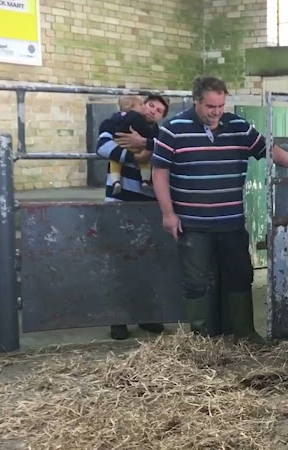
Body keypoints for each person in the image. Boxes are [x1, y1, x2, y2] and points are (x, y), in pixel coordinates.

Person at [151, 75, 288, 343]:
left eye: (221, 106)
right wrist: (168, 214)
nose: (216, 112)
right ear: (196, 101)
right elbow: (160, 172)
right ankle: (201, 340)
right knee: (196, 281)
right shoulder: (173, 128)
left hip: (231, 221)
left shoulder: (237, 125)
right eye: (210, 107)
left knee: (240, 275)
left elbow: (268, 149)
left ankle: (244, 333)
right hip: (193, 223)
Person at [96, 93, 170, 340]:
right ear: (142, 106)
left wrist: (145, 144)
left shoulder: (159, 134)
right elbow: (102, 146)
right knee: (121, 262)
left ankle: (145, 314)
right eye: (150, 105)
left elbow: (169, 150)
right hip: (119, 201)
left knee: (147, 262)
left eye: (159, 110)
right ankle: (118, 319)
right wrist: (133, 155)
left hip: (148, 204)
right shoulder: (115, 122)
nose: (153, 111)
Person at [104, 95, 158, 196]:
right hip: (124, 196)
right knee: (145, 164)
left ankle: (116, 182)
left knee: (114, 163)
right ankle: (145, 180)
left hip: (120, 147)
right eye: (142, 104)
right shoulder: (138, 118)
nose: (145, 107)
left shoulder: (112, 120)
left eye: (159, 111)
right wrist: (136, 155)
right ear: (132, 107)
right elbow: (102, 147)